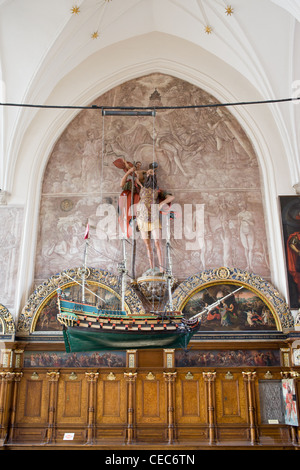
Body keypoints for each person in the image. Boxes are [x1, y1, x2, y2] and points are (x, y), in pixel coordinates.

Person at [135, 165, 174, 273]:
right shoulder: (141, 186)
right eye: (148, 173)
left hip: (153, 217)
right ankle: (152, 268)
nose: (150, 174)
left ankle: (162, 268)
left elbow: (171, 197)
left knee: (157, 242)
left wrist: (161, 203)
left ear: (155, 176)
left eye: (152, 173)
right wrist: (144, 171)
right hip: (142, 217)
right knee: (147, 245)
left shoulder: (158, 190)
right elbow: (136, 174)